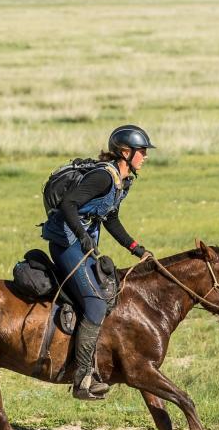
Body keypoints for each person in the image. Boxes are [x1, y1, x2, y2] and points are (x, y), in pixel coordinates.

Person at [40, 125, 154, 400]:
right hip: (66, 242)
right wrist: (82, 235)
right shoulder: (104, 177)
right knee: (95, 302)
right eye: (142, 151)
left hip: (81, 243)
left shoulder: (123, 181)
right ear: (125, 153)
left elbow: (110, 218)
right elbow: (68, 205)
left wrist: (136, 248)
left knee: (108, 292)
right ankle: (82, 379)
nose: (145, 157)